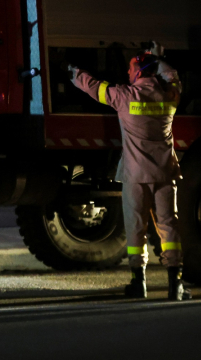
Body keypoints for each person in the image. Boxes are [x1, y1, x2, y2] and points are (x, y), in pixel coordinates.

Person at [70, 44, 187, 300]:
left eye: (132, 68)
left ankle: (138, 283)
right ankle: (175, 284)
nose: (128, 71)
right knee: (169, 226)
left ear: (140, 72)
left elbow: (95, 88)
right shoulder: (169, 95)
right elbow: (173, 77)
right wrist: (158, 59)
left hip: (136, 176)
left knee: (136, 227)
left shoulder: (125, 96)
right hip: (165, 174)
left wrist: (75, 74)